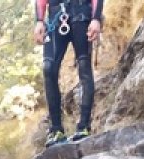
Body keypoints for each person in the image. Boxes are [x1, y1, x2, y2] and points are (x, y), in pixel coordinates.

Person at [32, 0, 104, 147]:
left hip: (82, 14)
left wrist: (96, 18)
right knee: (48, 68)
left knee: (84, 67)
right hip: (55, 17)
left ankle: (84, 127)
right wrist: (39, 20)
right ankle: (56, 130)